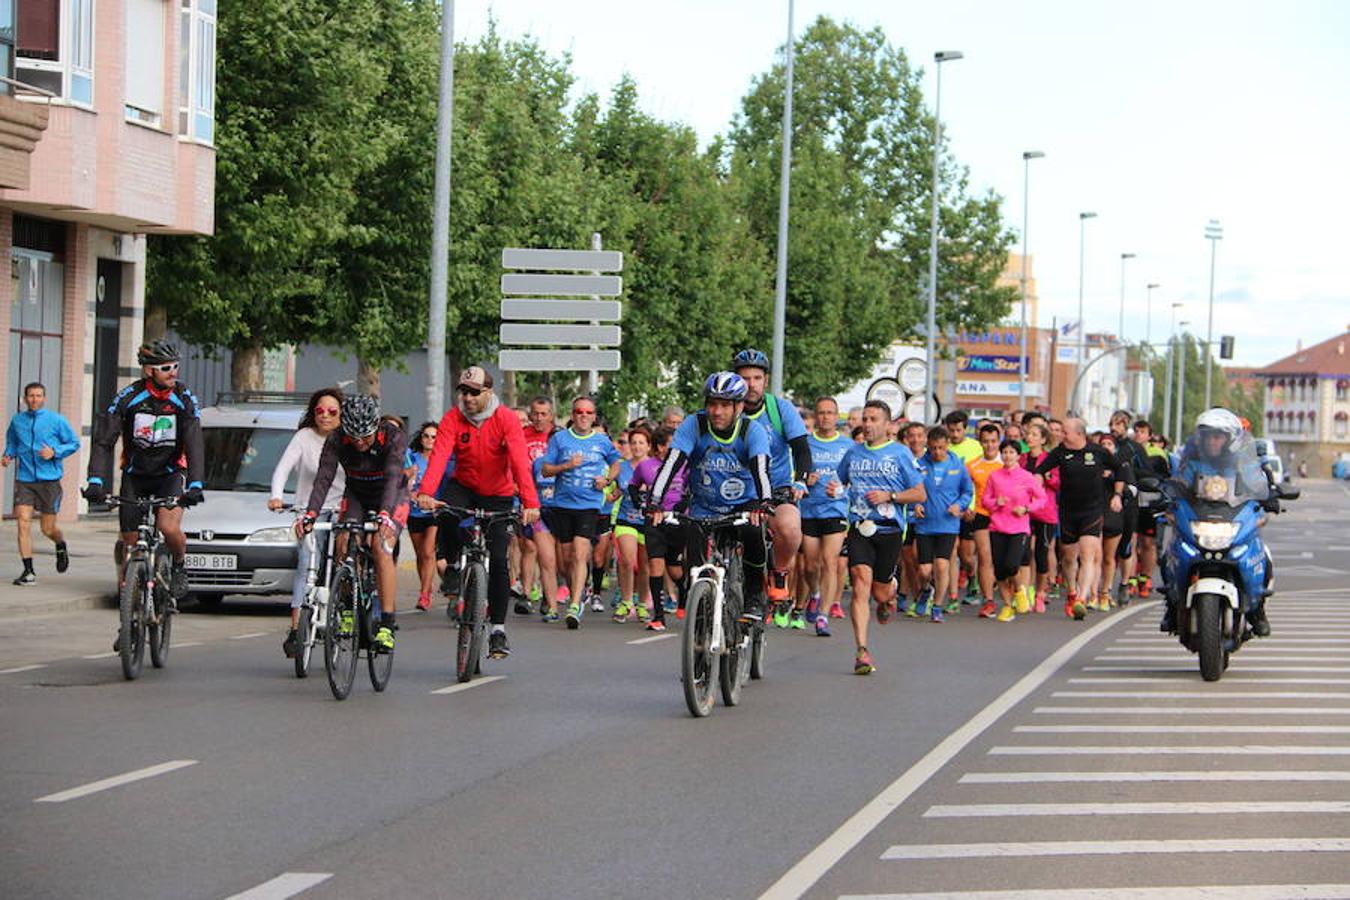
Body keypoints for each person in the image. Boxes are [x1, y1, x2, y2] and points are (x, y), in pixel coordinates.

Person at [416, 367, 541, 659]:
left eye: (474, 392)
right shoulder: (453, 418)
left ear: (489, 392)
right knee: (446, 513)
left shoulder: (506, 419)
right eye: (464, 392)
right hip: (466, 485)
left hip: (499, 493)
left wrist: (530, 502)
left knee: (498, 559)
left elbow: (520, 462)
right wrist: (425, 492)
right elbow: (439, 457)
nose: (468, 398)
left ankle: (498, 629)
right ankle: (454, 570)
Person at [85, 340, 205, 622]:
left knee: (167, 526)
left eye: (176, 366)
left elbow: (194, 441)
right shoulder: (128, 397)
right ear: (149, 370)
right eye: (166, 368)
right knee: (129, 542)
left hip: (171, 474)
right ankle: (130, 617)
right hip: (135, 476)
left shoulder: (183, 396)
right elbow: (104, 442)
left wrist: (196, 484)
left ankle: (178, 565)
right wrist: (95, 481)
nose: (173, 372)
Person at [648, 372, 773, 622]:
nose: (717, 411)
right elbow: (672, 463)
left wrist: (764, 503)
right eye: (712, 404)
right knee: (695, 564)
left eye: (725, 405)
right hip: (703, 505)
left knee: (753, 533)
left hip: (743, 505)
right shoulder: (694, 425)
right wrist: (654, 501)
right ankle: (701, 621)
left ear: (739, 406)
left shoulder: (752, 430)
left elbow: (761, 470)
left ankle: (754, 595)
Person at [296, 395, 407, 653]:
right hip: (357, 493)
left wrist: (385, 515)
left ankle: (387, 624)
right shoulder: (336, 439)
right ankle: (347, 607)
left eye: (365, 438)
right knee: (344, 545)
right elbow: (323, 478)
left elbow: (392, 477)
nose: (359, 443)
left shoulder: (393, 437)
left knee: (381, 548)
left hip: (391, 496)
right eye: (354, 437)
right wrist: (311, 513)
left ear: (376, 427)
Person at [1165, 407, 1273, 636]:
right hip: (1200, 516)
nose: (1213, 441)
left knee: (1264, 555)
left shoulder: (1243, 461)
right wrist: (1166, 495)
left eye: (1218, 436)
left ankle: (1258, 610)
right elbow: (1178, 482)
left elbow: (1256, 483)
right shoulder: (1191, 460)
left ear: (1229, 439)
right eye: (1208, 436)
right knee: (1168, 555)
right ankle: (1171, 604)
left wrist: (1269, 496)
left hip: (1231, 517)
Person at [837, 400, 925, 674]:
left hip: (890, 529)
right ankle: (861, 651)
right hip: (861, 527)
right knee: (861, 583)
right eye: (865, 418)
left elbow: (920, 493)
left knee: (879, 589)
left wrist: (891, 496)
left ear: (888, 425)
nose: (867, 424)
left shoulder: (899, 454)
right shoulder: (852, 454)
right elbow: (840, 484)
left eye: (874, 419)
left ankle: (891, 592)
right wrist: (834, 490)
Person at [731, 349, 812, 612]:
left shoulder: (780, 409)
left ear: (765, 380)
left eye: (756, 378)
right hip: (735, 488)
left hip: (775, 486)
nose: (751, 384)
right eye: (744, 378)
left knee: (789, 528)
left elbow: (801, 449)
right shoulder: (725, 409)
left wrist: (800, 481)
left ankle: (778, 571)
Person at [269, 387, 345, 658]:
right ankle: (295, 627)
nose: (325, 416)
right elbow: (282, 469)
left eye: (332, 412)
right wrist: (277, 497)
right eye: (320, 411)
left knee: (343, 559)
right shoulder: (304, 437)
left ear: (341, 414)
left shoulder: (347, 440)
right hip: (309, 510)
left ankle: (343, 609)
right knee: (306, 561)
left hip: (340, 511)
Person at [540, 395, 622, 629]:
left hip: (589, 505)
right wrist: (566, 466)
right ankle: (579, 587)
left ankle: (575, 605)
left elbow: (617, 464)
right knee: (566, 562)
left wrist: (606, 479)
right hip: (563, 505)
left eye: (588, 412)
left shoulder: (602, 441)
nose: (583, 416)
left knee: (579, 553)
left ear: (593, 416)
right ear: (573, 414)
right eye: (579, 412)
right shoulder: (560, 439)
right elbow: (545, 470)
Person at [1035, 417, 1125, 620]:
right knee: (1068, 557)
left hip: (1092, 510)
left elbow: (1121, 469)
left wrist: (1117, 495)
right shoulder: (1060, 452)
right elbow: (1040, 470)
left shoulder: (1098, 452)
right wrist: (1038, 482)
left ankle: (1082, 600)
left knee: (1087, 555)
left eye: (1065, 432)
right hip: (1068, 512)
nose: (1061, 435)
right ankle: (1072, 593)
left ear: (1079, 434)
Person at [4, 382, 79, 585]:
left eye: (38, 396)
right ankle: (28, 572)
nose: (34, 399)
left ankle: (60, 544)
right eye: (31, 396)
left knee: (47, 529)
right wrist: (8, 455)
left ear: (44, 398)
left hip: (49, 481)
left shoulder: (56, 420)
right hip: (25, 480)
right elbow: (12, 441)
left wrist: (54, 453)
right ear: (24, 398)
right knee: (23, 523)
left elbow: (74, 443)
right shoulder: (18, 421)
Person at [798, 396, 850, 636]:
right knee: (810, 566)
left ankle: (823, 615)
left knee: (830, 561)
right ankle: (815, 593)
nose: (825, 417)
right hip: (809, 510)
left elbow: (856, 480)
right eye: (821, 413)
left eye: (830, 412)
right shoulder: (805, 444)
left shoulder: (848, 446)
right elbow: (794, 473)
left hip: (836, 510)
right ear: (815, 417)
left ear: (837, 416)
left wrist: (843, 489)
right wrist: (804, 479)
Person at [912, 426, 973, 623]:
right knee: (924, 570)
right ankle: (925, 589)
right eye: (933, 448)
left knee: (942, 564)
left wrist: (960, 505)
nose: (937, 452)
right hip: (925, 524)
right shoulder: (919, 465)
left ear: (947, 444)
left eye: (940, 448)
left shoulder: (958, 465)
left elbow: (967, 492)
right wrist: (915, 504)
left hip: (948, 524)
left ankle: (937, 606)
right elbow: (911, 488)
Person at [983, 439, 1046, 622]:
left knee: (1012, 565)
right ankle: (1008, 606)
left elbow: (1041, 499)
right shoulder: (994, 476)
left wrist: (1026, 509)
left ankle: (1020, 591)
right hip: (997, 527)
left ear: (1018, 456)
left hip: (1019, 528)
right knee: (1000, 571)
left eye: (1011, 452)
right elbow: (985, 500)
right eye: (1005, 452)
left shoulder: (1027, 477)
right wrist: (996, 503)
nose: (1007, 456)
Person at [520, 396, 561, 618]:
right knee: (534, 550)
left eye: (544, 413)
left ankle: (552, 595)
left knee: (564, 561)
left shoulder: (562, 439)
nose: (539, 418)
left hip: (564, 510)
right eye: (535, 413)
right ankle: (527, 594)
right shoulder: (523, 437)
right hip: (536, 504)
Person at [611, 425, 654, 625]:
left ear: (648, 446)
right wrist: (604, 492)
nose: (636, 446)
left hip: (648, 521)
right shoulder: (621, 466)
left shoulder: (656, 467)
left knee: (644, 565)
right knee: (627, 560)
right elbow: (616, 491)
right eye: (633, 442)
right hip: (625, 519)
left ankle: (642, 604)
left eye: (641, 443)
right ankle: (626, 602)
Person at [963, 423, 1003, 618]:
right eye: (985, 442)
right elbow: (965, 489)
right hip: (981, 514)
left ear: (999, 441)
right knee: (985, 557)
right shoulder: (972, 465)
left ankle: (1012, 594)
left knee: (1003, 560)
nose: (989, 446)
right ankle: (988, 601)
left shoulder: (1008, 462)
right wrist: (967, 507)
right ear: (980, 443)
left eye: (993, 441)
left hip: (1006, 517)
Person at [1022, 421, 1059, 613]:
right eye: (1028, 434)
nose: (1030, 438)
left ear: (1043, 439)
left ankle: (1040, 593)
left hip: (1045, 512)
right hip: (1024, 512)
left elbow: (1059, 482)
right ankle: (1026, 591)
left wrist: (1047, 478)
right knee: (1024, 553)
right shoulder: (1021, 459)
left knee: (1041, 554)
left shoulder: (1050, 459)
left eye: (1035, 435)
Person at [405, 420, 441, 611]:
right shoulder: (412, 457)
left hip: (434, 512)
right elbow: (404, 480)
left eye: (434, 437)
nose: (429, 440)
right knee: (420, 554)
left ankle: (425, 594)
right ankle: (425, 585)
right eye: (426, 436)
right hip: (414, 512)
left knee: (428, 551)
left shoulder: (441, 459)